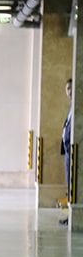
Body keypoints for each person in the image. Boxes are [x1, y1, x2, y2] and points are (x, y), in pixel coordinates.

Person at [60, 78, 73, 225]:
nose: (69, 91)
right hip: (68, 151)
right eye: (67, 89)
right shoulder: (71, 106)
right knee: (69, 185)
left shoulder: (77, 107)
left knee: (73, 185)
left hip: (72, 151)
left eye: (71, 88)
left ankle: (72, 217)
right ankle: (70, 216)